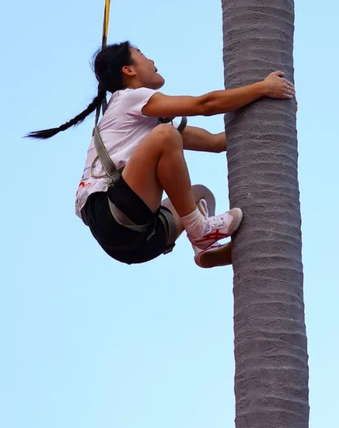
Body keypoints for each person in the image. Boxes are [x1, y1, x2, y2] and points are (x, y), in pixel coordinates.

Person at [28, 41, 295, 267]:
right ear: (128, 70)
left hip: (138, 242)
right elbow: (205, 105)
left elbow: (216, 142)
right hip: (110, 214)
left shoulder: (153, 124)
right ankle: (200, 231)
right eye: (143, 54)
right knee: (166, 137)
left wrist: (273, 118)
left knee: (200, 193)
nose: (152, 59)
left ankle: (203, 248)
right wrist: (262, 88)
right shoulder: (128, 98)